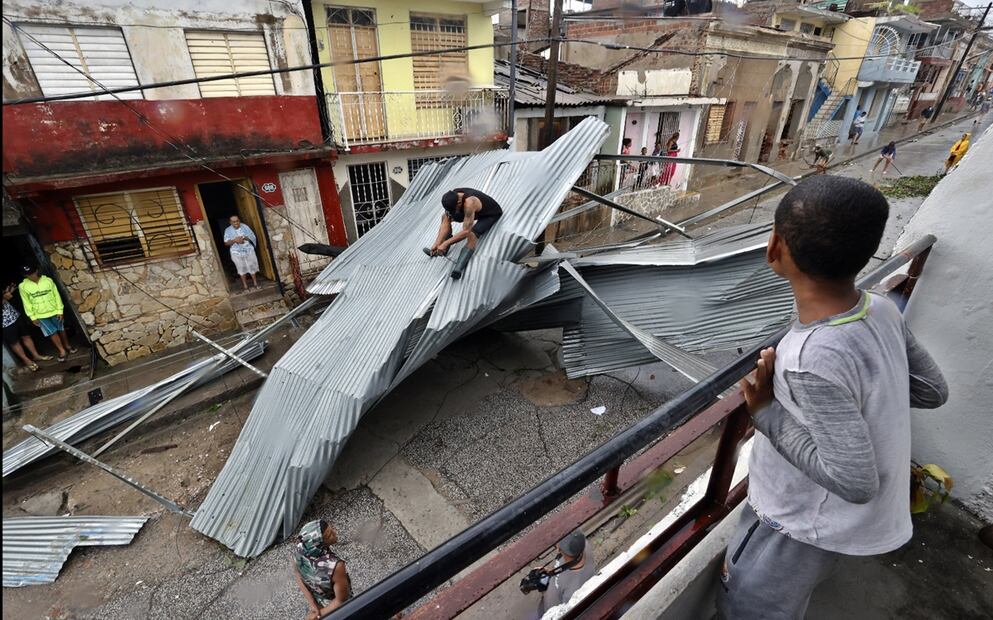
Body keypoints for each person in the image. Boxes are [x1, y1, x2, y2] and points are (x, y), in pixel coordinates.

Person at [717, 176, 948, 620]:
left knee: (751, 605)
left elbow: (856, 482)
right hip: (840, 526)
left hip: (797, 526)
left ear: (775, 247)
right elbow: (932, 390)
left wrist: (766, 411)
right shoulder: (881, 308)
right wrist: (867, 396)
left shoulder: (808, 358)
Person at [425, 188, 504, 280]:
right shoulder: (452, 197)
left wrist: (446, 243)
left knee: (472, 234)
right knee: (445, 216)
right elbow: (446, 220)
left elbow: (466, 231)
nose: (453, 212)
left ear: (458, 203)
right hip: (471, 211)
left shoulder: (470, 203)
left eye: (454, 210)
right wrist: (438, 242)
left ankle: (458, 268)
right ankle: (440, 249)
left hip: (489, 214)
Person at [293, 519, 351, 620]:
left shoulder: (300, 551)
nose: (335, 532)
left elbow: (297, 574)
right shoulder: (336, 566)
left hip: (319, 603)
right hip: (336, 611)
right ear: (319, 544)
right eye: (329, 535)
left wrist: (314, 606)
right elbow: (342, 600)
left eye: (331, 528)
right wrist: (318, 615)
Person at [533, 530, 596, 617]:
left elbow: (561, 613)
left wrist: (544, 591)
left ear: (558, 548)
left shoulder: (573, 591)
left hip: (550, 612)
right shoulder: (583, 545)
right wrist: (551, 572)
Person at [18, 265, 74, 362]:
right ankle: (62, 350)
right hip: (40, 314)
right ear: (25, 275)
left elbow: (56, 295)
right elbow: (26, 302)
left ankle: (67, 346)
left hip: (54, 310)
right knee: (51, 332)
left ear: (36, 271)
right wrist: (32, 317)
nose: (31, 276)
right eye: (28, 275)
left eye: (32, 273)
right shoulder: (23, 286)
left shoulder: (48, 280)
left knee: (61, 329)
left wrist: (60, 311)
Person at [3, 284, 53, 371]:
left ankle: (36, 356)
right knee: (14, 342)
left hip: (14, 315)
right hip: (4, 323)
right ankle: (27, 360)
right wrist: (5, 298)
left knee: (26, 336)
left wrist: (8, 292)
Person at [224, 215, 260, 290]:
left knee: (252, 266)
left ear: (239, 220)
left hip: (248, 250)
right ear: (230, 222)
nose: (236, 223)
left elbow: (252, 237)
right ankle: (245, 286)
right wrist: (234, 240)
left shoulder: (245, 227)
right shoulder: (227, 230)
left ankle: (255, 283)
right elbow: (226, 243)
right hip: (236, 253)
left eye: (237, 221)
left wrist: (244, 238)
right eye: (233, 222)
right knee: (241, 268)